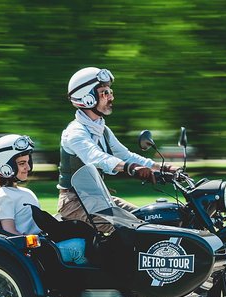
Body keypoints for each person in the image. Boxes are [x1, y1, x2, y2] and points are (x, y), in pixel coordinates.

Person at [58, 67, 178, 232]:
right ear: (87, 98)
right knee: (133, 229)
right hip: (74, 203)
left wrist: (162, 168)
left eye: (110, 91)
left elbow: (126, 155)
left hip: (98, 199)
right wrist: (130, 168)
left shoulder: (101, 129)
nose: (111, 97)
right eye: (104, 93)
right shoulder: (75, 132)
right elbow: (95, 157)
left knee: (149, 219)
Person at [0, 134, 88, 265]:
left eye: (28, 162)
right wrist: (36, 242)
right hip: (33, 252)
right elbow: (9, 232)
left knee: (86, 233)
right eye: (22, 163)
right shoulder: (4, 196)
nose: (28, 167)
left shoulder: (24, 192)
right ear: (5, 167)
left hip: (44, 242)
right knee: (78, 246)